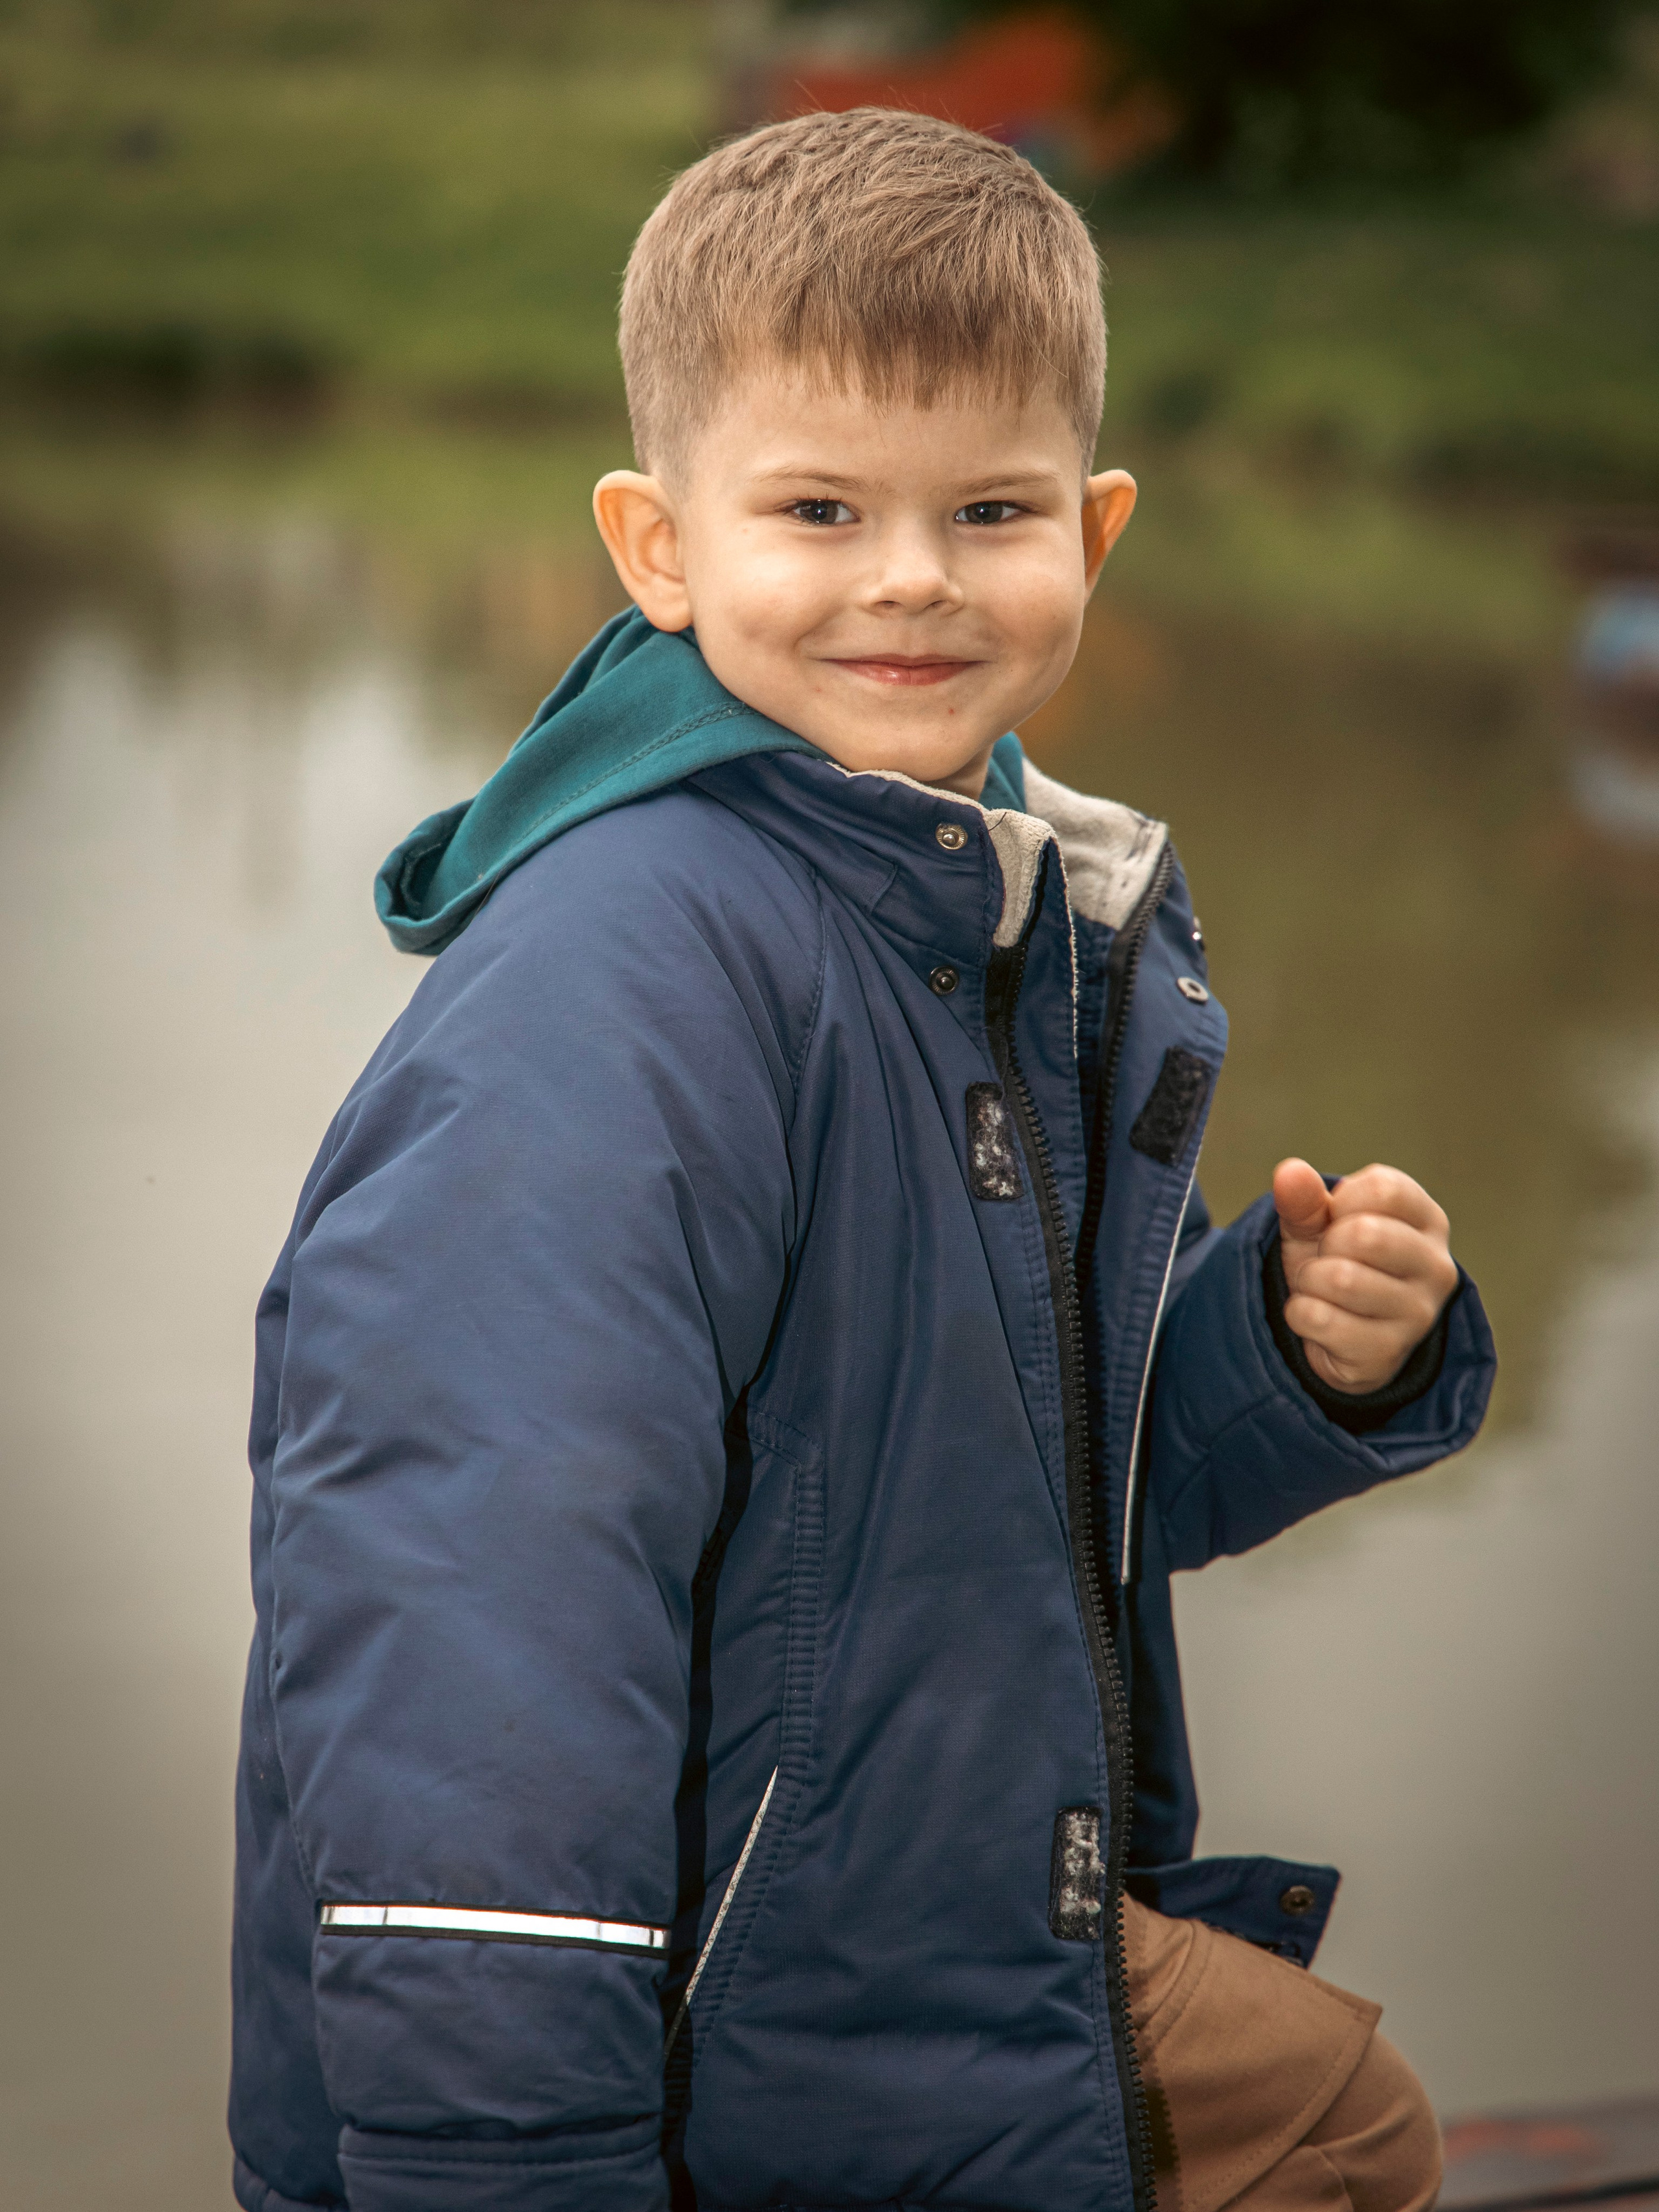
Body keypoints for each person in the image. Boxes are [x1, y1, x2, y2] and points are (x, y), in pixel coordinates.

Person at [229, 108, 1495, 2212]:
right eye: (819, 508)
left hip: (915, 1929)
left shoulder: (981, 910)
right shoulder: (618, 986)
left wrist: (1288, 1356)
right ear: (658, 546)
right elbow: (473, 1644)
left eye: (990, 509)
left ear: (1094, 532)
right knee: (1335, 2125)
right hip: (698, 2031)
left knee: (1337, 2118)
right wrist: (512, 2163)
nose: (912, 576)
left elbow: (1017, 1485)